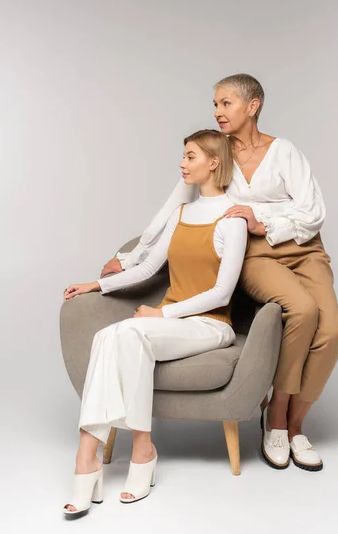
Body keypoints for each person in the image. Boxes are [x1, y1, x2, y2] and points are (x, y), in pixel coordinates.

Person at [103, 73, 338, 473]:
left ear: (253, 106)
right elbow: (173, 209)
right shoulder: (218, 155)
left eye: (226, 103)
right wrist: (130, 257)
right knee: (301, 311)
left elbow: (313, 212)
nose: (217, 111)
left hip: (304, 250)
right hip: (255, 256)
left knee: (332, 334)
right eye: (214, 104)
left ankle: (296, 423)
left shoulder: (284, 152)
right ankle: (279, 419)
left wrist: (262, 217)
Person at [62, 129, 248, 519]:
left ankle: (93, 460)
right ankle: (101, 453)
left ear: (214, 163)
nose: (182, 163)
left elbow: (221, 293)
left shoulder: (232, 219)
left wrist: (161, 313)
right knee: (111, 335)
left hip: (210, 325)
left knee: (126, 332)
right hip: (167, 326)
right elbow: (147, 266)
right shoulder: (182, 213)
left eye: (190, 156)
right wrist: (96, 284)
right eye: (183, 156)